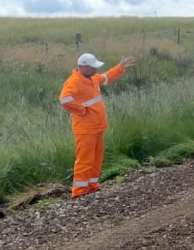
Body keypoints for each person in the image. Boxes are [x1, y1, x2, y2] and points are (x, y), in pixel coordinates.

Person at [59, 53, 137, 198]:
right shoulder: (74, 82)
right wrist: (82, 110)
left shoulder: (93, 78)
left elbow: (106, 77)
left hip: (97, 126)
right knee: (85, 159)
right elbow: (64, 100)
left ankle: (92, 186)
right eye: (93, 67)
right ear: (83, 67)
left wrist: (120, 67)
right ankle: (79, 191)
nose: (96, 70)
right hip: (85, 129)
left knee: (96, 158)